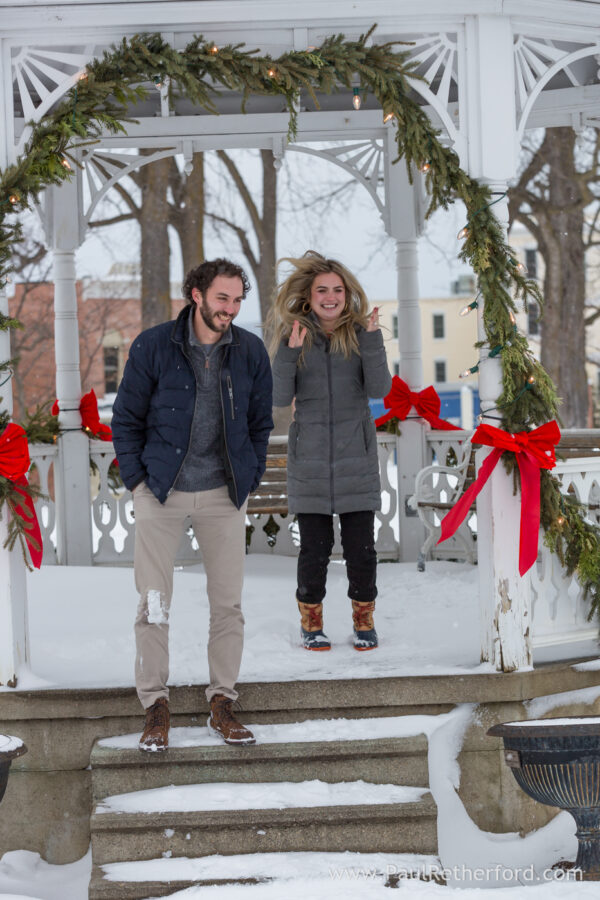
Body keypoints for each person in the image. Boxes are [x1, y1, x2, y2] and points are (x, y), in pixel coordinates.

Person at [112, 258, 273, 751]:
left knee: (228, 605)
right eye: (223, 298)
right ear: (197, 295)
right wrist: (140, 480)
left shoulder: (249, 351)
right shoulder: (154, 345)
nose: (231, 308)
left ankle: (222, 701)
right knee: (154, 603)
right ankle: (155, 706)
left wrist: (248, 476)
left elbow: (259, 423)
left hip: (223, 494)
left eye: (238, 300)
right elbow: (126, 419)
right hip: (162, 491)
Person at [269, 251, 392, 652]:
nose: (330, 296)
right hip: (311, 463)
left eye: (337, 289)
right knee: (314, 551)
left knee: (361, 550)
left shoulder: (360, 335)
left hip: (355, 458)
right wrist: (288, 352)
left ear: (347, 294)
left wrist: (373, 342)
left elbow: (380, 391)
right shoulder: (295, 335)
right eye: (322, 289)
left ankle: (364, 621)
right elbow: (278, 396)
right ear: (309, 294)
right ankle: (312, 623)